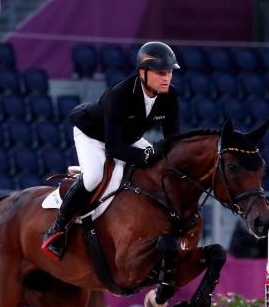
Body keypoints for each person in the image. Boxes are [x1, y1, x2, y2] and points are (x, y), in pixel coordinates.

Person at [41, 41, 181, 260]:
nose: (167, 78)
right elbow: (114, 148)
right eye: (161, 72)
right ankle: (57, 229)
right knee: (94, 177)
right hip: (94, 136)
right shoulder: (120, 94)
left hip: (129, 137)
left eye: (170, 72)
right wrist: (145, 156)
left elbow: (173, 139)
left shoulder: (170, 96)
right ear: (142, 72)